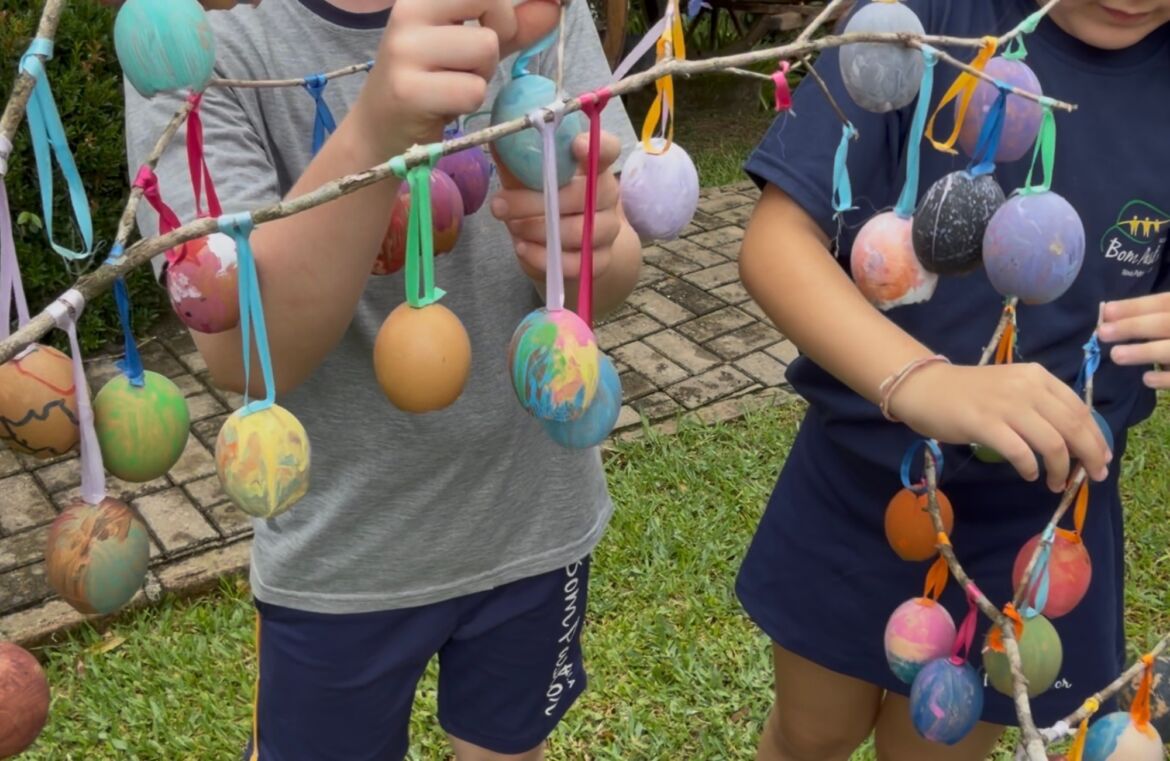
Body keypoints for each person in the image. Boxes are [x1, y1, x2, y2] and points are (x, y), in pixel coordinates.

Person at [119, 0, 642, 759]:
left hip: (532, 521)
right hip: (341, 556)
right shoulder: (196, 38)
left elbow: (611, 275)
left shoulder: (534, 10)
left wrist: (586, 250)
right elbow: (245, 356)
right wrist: (375, 128)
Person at [735, 0, 1170, 759]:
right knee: (813, 732)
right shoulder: (924, 17)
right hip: (859, 478)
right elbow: (777, 242)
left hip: (1037, 527)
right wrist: (925, 383)